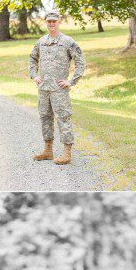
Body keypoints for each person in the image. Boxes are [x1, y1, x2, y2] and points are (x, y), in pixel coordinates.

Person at [29, 11, 86, 166]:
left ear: (59, 22)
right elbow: (33, 58)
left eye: (54, 21)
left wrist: (71, 81)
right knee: (45, 118)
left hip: (59, 90)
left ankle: (67, 153)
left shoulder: (68, 41)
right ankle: (48, 150)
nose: (52, 24)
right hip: (43, 89)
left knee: (63, 119)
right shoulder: (41, 41)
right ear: (46, 23)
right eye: (49, 22)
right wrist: (34, 75)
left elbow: (80, 62)